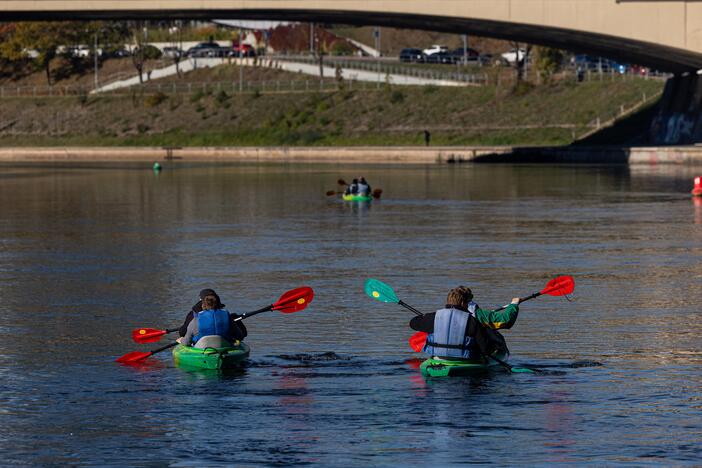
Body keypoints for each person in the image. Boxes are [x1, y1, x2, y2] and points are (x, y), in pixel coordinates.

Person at [409, 286, 519, 360]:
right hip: (465, 360)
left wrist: (426, 317)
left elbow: (413, 323)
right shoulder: (472, 321)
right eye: (468, 302)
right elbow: (485, 349)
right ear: (462, 303)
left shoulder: (435, 317)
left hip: (439, 359)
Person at [177, 289, 247, 347]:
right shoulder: (227, 316)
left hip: (201, 349)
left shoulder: (196, 319)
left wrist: (181, 340)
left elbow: (186, 342)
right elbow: (240, 336)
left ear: (203, 305)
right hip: (223, 348)